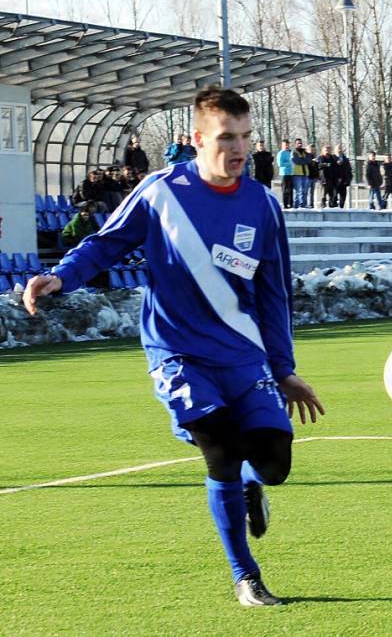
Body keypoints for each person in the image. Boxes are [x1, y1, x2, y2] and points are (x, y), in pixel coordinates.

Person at [24, 86, 325, 607]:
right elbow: (106, 243)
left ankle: (251, 488)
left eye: (246, 137)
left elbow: (274, 293)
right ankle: (246, 576)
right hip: (178, 352)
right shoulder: (160, 191)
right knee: (222, 449)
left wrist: (284, 368)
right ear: (197, 139)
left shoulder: (263, 206)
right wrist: (61, 276)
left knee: (273, 463)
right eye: (227, 138)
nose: (238, 150)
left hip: (242, 353)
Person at [291, 138, 309, 209]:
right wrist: (304, 161)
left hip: (305, 173)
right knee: (298, 191)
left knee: (305, 190)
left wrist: (303, 160)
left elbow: (309, 160)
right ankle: (296, 205)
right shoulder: (293, 152)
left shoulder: (305, 152)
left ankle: (303, 204)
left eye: (300, 143)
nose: (300, 144)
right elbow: (296, 161)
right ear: (295, 144)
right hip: (297, 174)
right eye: (298, 143)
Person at [277, 139, 293, 209]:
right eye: (285, 145)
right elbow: (280, 164)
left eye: (287, 145)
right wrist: (289, 163)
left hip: (291, 173)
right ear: (282, 145)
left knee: (290, 189)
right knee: (285, 189)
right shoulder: (281, 153)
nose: (287, 146)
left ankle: (291, 203)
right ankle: (285, 204)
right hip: (284, 173)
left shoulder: (290, 152)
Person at [306, 144, 320, 208]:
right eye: (311, 149)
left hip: (313, 177)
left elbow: (316, 168)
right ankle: (306, 203)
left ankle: (311, 204)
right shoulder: (306, 156)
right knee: (307, 191)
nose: (312, 151)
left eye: (313, 149)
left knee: (312, 191)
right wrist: (312, 161)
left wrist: (317, 176)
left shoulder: (315, 157)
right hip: (308, 176)